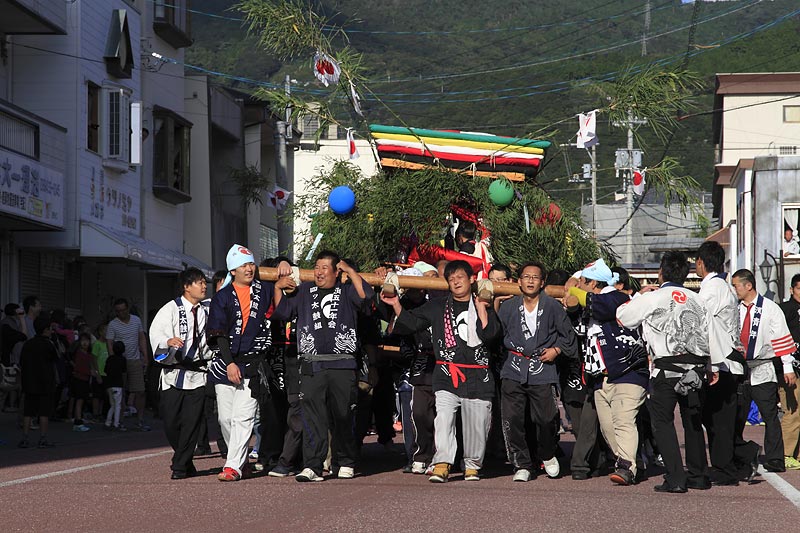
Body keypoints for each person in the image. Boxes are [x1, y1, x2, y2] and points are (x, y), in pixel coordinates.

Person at [382, 260, 501, 483]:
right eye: (451, 279)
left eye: (460, 277)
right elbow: (412, 322)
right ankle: (442, 463)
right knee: (443, 419)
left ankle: (472, 465)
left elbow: (492, 336)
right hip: (446, 373)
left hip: (478, 374)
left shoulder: (482, 304)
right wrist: (396, 303)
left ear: (471, 280)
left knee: (478, 423)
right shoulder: (438, 306)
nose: (456, 282)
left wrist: (483, 309)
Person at [272, 250, 373, 482]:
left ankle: (345, 461)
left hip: (343, 363)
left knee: (343, 414)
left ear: (336, 271)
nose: (319, 272)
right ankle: (312, 466)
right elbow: (284, 312)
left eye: (324, 268)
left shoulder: (347, 289)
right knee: (312, 416)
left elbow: (366, 298)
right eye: (316, 267)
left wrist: (350, 271)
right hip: (312, 363)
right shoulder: (305, 290)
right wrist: (278, 287)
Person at [617, 251, 711, 493]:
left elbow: (623, 317)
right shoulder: (698, 299)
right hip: (696, 368)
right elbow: (710, 333)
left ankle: (676, 478)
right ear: (686, 274)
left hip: (666, 369)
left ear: (661, 272)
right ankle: (699, 476)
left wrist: (638, 295)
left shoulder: (653, 297)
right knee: (693, 422)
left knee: (663, 423)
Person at [206, 245, 290, 482]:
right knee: (225, 419)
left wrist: (284, 265)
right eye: (243, 265)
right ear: (233, 270)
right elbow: (218, 333)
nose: (249, 269)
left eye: (251, 263)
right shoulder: (222, 296)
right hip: (225, 363)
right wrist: (230, 363)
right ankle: (241, 460)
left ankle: (232, 466)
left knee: (243, 417)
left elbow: (283, 280)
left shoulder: (264, 289)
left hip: (254, 363)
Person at [497, 261, 577, 482]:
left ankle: (547, 454)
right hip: (513, 367)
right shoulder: (508, 307)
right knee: (512, 419)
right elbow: (496, 335)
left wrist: (556, 350)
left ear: (542, 282)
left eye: (535, 277)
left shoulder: (552, 306)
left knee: (547, 418)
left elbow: (568, 336)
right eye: (526, 276)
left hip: (542, 368)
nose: (530, 280)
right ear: (519, 281)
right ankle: (522, 464)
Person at [572, 261, 647, 486]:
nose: (578, 285)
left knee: (623, 421)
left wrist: (572, 291)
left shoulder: (617, 297)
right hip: (600, 377)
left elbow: (600, 306)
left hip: (628, 372)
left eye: (582, 282)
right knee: (608, 429)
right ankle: (634, 463)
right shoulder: (588, 307)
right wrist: (571, 306)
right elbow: (579, 329)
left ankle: (626, 467)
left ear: (593, 283)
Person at [150, 268, 213, 480]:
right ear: (186, 286)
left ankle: (179, 466)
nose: (203, 286)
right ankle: (185, 461)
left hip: (199, 374)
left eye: (204, 282)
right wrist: (167, 341)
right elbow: (156, 334)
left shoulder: (208, 309)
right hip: (173, 374)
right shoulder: (170, 309)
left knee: (192, 423)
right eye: (199, 283)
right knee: (171, 423)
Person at [731, 269, 796, 473]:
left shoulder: (770, 308)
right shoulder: (734, 309)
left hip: (763, 367)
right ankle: (738, 455)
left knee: (769, 415)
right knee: (736, 416)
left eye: (736, 286)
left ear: (748, 285)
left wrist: (787, 367)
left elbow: (781, 337)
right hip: (739, 369)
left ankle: (775, 458)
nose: (734, 290)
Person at [696, 242, 746, 486]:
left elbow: (700, 323)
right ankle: (730, 463)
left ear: (701, 262)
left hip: (721, 363)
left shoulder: (713, 288)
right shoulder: (721, 286)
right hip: (726, 362)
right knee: (716, 419)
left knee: (718, 420)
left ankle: (728, 467)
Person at [196, 269, 229, 458]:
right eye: (222, 285)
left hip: (222, 361)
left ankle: (225, 446)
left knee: (221, 409)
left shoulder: (233, 304)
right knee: (202, 406)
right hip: (204, 364)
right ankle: (202, 444)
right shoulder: (204, 306)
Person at [106, 298, 150, 431]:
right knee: (121, 393)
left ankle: (140, 420)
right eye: (118, 311)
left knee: (140, 391)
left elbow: (141, 338)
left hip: (135, 360)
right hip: (120, 362)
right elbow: (109, 343)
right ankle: (119, 421)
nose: (121, 313)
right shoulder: (113, 324)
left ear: (127, 308)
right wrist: (113, 360)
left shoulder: (136, 320)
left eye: (123, 310)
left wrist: (145, 356)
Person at [18, 316, 58, 448]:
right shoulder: (49, 344)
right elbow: (56, 358)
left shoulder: (28, 344)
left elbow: (22, 362)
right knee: (44, 412)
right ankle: (43, 438)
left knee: (28, 412)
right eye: (50, 329)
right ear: (46, 329)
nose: (51, 331)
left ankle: (25, 438)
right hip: (45, 383)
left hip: (29, 382)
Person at [779, 273, 800, 469]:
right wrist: (786, 366)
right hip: (791, 369)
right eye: (799, 288)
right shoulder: (784, 310)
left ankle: (797, 454)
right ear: (792, 289)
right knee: (793, 411)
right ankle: (786, 453)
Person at [70, 332, 97, 432]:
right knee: (79, 401)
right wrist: (90, 372)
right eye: (83, 341)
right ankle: (78, 422)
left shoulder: (88, 354)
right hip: (79, 379)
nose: (85, 343)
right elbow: (78, 368)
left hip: (85, 379)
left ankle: (78, 419)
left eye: (87, 340)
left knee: (81, 401)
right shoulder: (79, 353)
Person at [104, 341, 127, 431]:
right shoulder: (123, 360)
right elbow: (124, 372)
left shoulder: (110, 359)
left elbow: (105, 370)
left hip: (109, 384)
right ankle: (116, 423)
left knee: (112, 405)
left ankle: (108, 422)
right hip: (118, 385)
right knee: (117, 405)